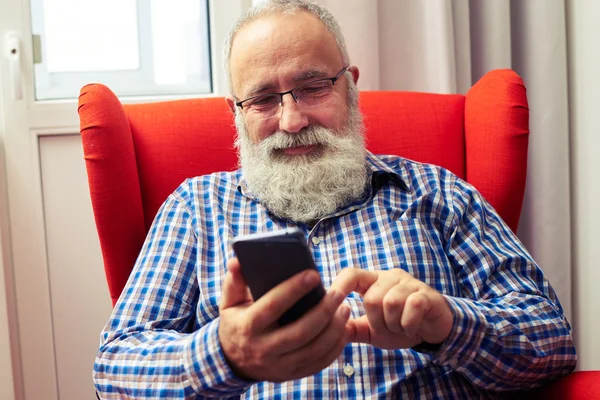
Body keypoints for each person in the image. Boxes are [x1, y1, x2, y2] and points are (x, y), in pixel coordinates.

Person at [92, 1, 576, 398]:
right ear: (234, 112)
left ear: (350, 85)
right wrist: (224, 353)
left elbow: (551, 340)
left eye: (312, 87)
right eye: (263, 99)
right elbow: (114, 369)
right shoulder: (196, 207)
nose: (292, 120)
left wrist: (448, 325)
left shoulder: (439, 192)